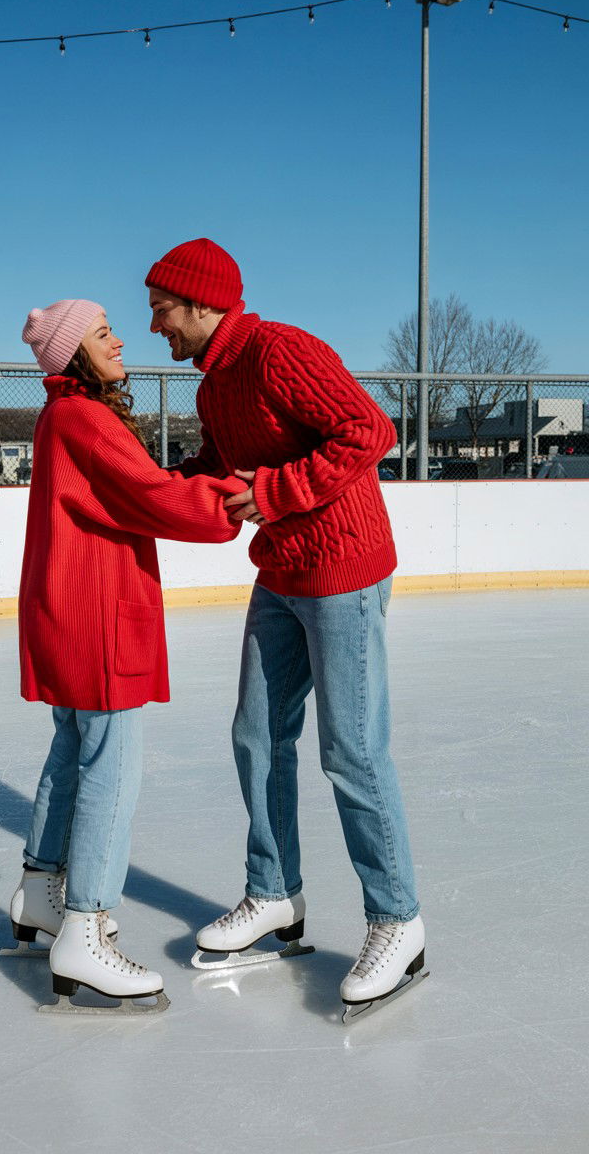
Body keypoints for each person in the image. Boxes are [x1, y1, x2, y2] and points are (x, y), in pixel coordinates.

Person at [145, 238, 425, 1015]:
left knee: (352, 752)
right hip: (281, 571)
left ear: (202, 303)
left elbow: (369, 431)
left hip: (344, 570)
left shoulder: (280, 351)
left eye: (162, 311)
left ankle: (398, 921)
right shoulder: (214, 386)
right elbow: (216, 468)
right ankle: (274, 893)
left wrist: (274, 492)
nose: (155, 327)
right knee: (258, 735)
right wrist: (148, 489)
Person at [10, 298, 246, 1013]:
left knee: (72, 749)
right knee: (111, 768)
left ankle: (41, 891)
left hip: (70, 609)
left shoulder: (63, 416)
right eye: (103, 333)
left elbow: (135, 487)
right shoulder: (84, 418)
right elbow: (150, 495)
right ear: (73, 352)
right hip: (97, 616)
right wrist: (232, 499)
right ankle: (85, 929)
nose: (118, 342)